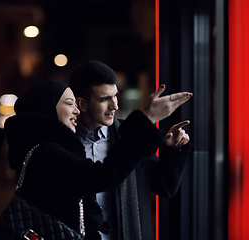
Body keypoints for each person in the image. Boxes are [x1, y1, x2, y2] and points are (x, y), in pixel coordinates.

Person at [0, 80, 192, 239]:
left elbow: (163, 185)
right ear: (48, 109)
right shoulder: (47, 154)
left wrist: (170, 149)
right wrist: (147, 119)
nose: (77, 110)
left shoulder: (50, 150)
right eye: (70, 104)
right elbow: (103, 176)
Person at [69, 60, 194, 240]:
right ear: (81, 104)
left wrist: (172, 149)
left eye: (115, 96)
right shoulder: (65, 142)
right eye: (104, 99)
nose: (115, 106)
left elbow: (164, 186)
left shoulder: (131, 135)